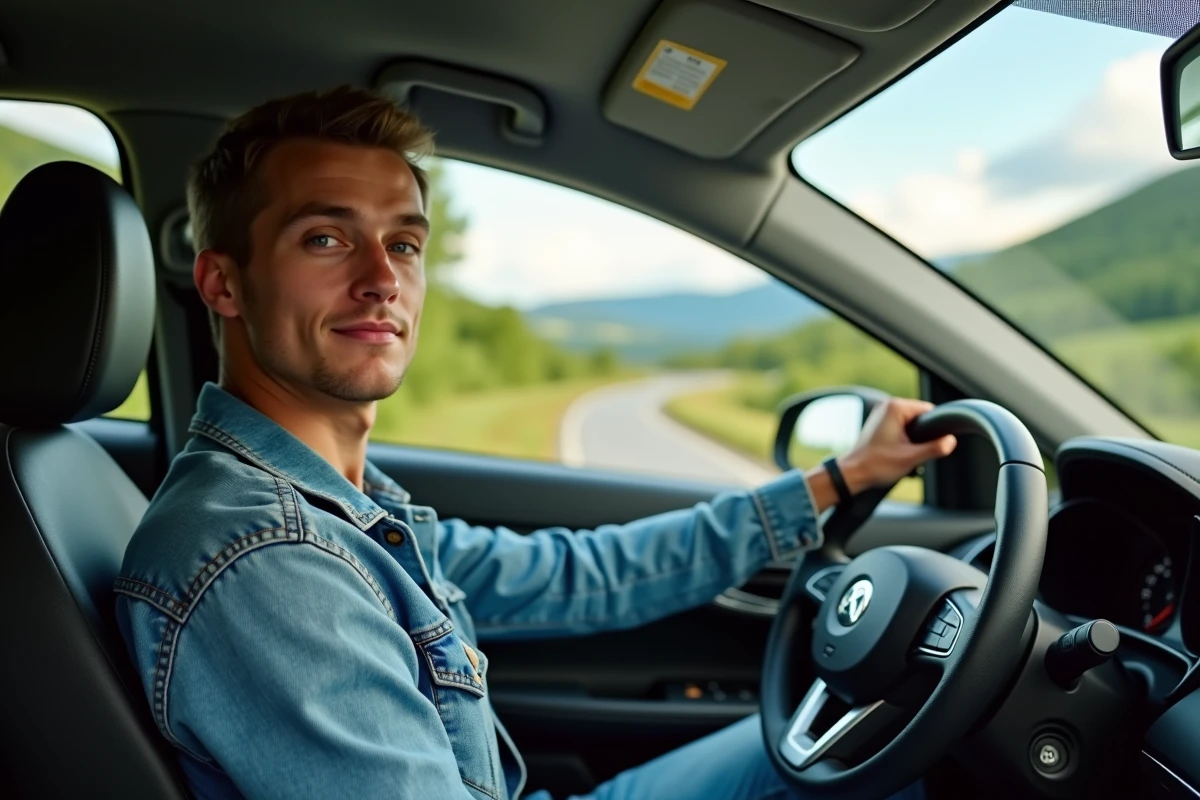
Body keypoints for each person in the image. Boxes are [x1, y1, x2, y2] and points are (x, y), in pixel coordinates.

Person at [116, 85, 955, 800]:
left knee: (890, 735)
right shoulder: (269, 559)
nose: (382, 278)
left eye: (404, 242)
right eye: (326, 239)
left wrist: (839, 479)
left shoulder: (348, 512)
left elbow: (579, 576)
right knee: (921, 741)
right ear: (223, 283)